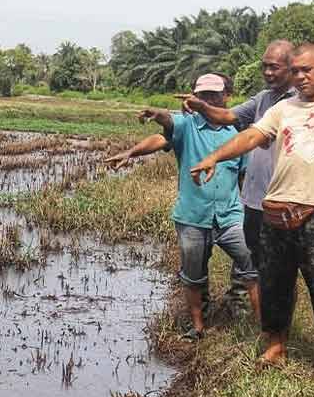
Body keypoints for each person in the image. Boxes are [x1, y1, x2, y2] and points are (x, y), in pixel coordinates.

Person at [188, 43, 314, 374]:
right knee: (275, 279)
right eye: (296, 72)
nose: (301, 77)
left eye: (308, 70)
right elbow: (251, 136)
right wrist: (214, 157)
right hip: (278, 206)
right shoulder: (284, 107)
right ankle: (276, 345)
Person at [104, 73, 260, 341]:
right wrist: (136, 145)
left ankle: (262, 328)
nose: (208, 99)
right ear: (193, 97)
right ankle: (198, 326)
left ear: (227, 97)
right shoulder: (187, 125)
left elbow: (245, 176)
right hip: (192, 216)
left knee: (252, 264)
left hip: (231, 215)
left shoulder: (238, 133)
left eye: (214, 94)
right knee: (193, 275)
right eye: (203, 95)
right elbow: (164, 131)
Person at [178, 40, 296, 273]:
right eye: (265, 66)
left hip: (286, 199)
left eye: (274, 67)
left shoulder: (302, 101)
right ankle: (252, 308)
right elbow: (227, 116)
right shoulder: (263, 98)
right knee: (256, 267)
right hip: (255, 202)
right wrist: (201, 107)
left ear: (291, 67)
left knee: (281, 269)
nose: (267, 72)